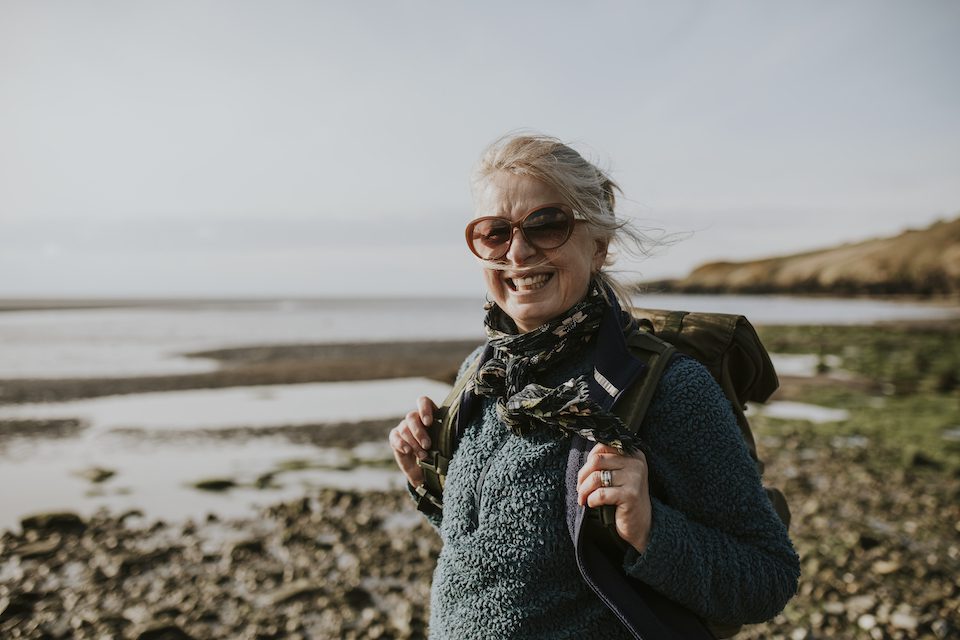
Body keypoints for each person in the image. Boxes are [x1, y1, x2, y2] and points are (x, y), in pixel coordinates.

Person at [389, 133, 799, 639]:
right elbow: (498, 557)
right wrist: (428, 481)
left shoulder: (669, 387)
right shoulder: (483, 371)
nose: (517, 251)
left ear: (599, 245)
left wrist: (648, 528)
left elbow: (769, 575)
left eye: (546, 225)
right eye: (495, 232)